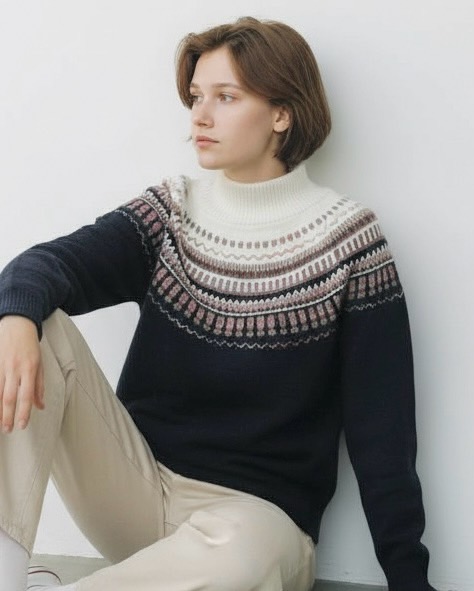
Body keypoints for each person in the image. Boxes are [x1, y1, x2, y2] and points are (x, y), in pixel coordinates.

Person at [0, 16, 438, 591]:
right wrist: (15, 318)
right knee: (31, 325)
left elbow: (383, 427)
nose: (200, 116)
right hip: (139, 492)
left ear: (282, 114)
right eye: (196, 96)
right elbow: (44, 266)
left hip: (255, 524)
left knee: (238, 561)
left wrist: (408, 578)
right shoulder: (172, 212)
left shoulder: (348, 241)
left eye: (226, 97)